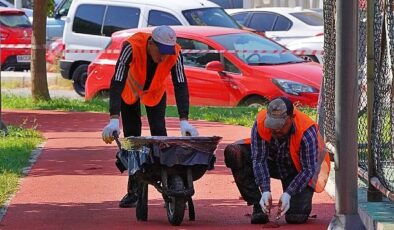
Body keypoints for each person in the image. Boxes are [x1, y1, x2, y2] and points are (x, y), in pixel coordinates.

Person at [101, 25, 199, 208]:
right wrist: (114, 118)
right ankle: (134, 190)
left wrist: (184, 120)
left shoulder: (174, 53)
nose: (163, 57)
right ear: (151, 43)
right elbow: (117, 80)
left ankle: (169, 189)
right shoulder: (131, 46)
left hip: (155, 93)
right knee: (133, 139)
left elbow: (180, 83)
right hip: (130, 92)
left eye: (166, 52)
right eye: (160, 51)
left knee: (160, 136)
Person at [224, 97, 330, 224]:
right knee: (234, 153)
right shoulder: (261, 123)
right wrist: (265, 190)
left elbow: (308, 169)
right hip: (273, 162)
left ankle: (294, 202)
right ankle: (259, 205)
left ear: (291, 118)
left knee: (296, 217)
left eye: (280, 126)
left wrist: (288, 194)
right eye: (272, 125)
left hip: (297, 169)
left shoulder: (306, 130)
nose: (276, 130)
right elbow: (259, 159)